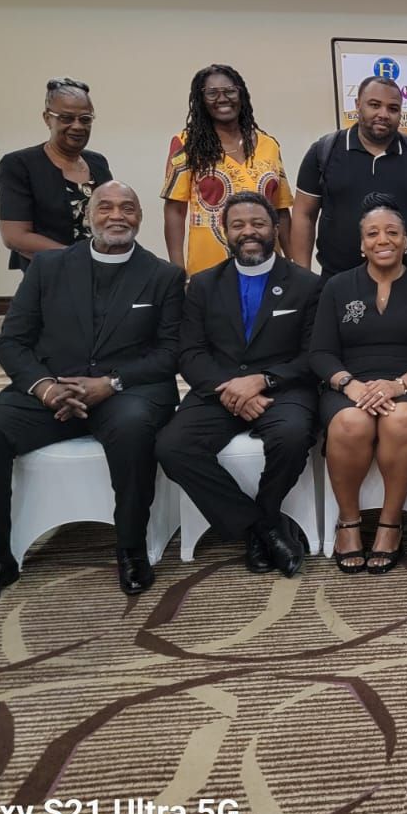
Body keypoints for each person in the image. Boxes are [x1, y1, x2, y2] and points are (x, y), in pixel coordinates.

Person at [0, 182, 184, 612]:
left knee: (135, 429)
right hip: (51, 389)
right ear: (89, 216)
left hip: (125, 392)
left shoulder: (163, 276)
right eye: (106, 207)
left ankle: (131, 548)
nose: (117, 215)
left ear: (140, 217)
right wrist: (44, 387)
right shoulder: (49, 267)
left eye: (128, 208)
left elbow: (170, 353)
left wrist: (111, 383)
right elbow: (12, 342)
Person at [155, 192, 321, 578]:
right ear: (224, 231)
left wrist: (261, 381)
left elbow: (313, 353)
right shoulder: (202, 285)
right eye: (238, 225)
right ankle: (260, 526)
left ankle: (264, 513)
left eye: (258, 224)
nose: (249, 232)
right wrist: (231, 388)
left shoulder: (306, 285)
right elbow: (190, 353)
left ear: (275, 229)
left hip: (284, 388)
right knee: (171, 446)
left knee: (293, 436)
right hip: (218, 389)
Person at [312, 194, 407, 573]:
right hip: (349, 387)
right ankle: (350, 522)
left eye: (392, 232)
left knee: (401, 419)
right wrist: (350, 385)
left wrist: (397, 386)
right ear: (362, 244)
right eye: (372, 233)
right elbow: (320, 352)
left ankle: (391, 523)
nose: (383, 239)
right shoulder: (337, 287)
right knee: (350, 422)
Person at [290, 75, 407, 285]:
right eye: (374, 105)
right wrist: (302, 279)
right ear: (358, 105)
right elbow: (304, 214)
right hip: (339, 284)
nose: (383, 114)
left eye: (393, 108)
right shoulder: (324, 152)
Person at [162, 64, 294, 276]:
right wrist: (177, 272)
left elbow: (281, 210)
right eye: (212, 93)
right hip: (208, 268)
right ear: (200, 100)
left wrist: (293, 263)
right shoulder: (186, 144)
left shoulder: (269, 145)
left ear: (241, 94)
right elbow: (175, 211)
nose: (222, 99)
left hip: (266, 264)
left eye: (230, 91)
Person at [0, 78, 114, 270]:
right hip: (51, 276)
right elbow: (14, 236)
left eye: (85, 119)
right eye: (66, 118)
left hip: (104, 273)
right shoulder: (19, 165)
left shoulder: (98, 163)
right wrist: (80, 261)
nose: (77, 126)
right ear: (47, 118)